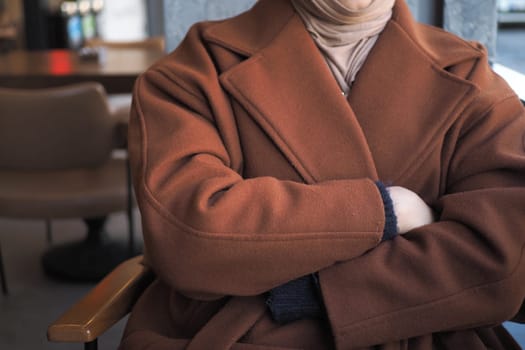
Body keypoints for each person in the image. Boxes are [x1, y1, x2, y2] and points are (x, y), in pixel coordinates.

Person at [121, 0, 525, 349]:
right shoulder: (187, 76)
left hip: (426, 334)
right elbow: (190, 236)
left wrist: (314, 293)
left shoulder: (474, 80)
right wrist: (386, 211)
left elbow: (497, 263)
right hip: (242, 335)